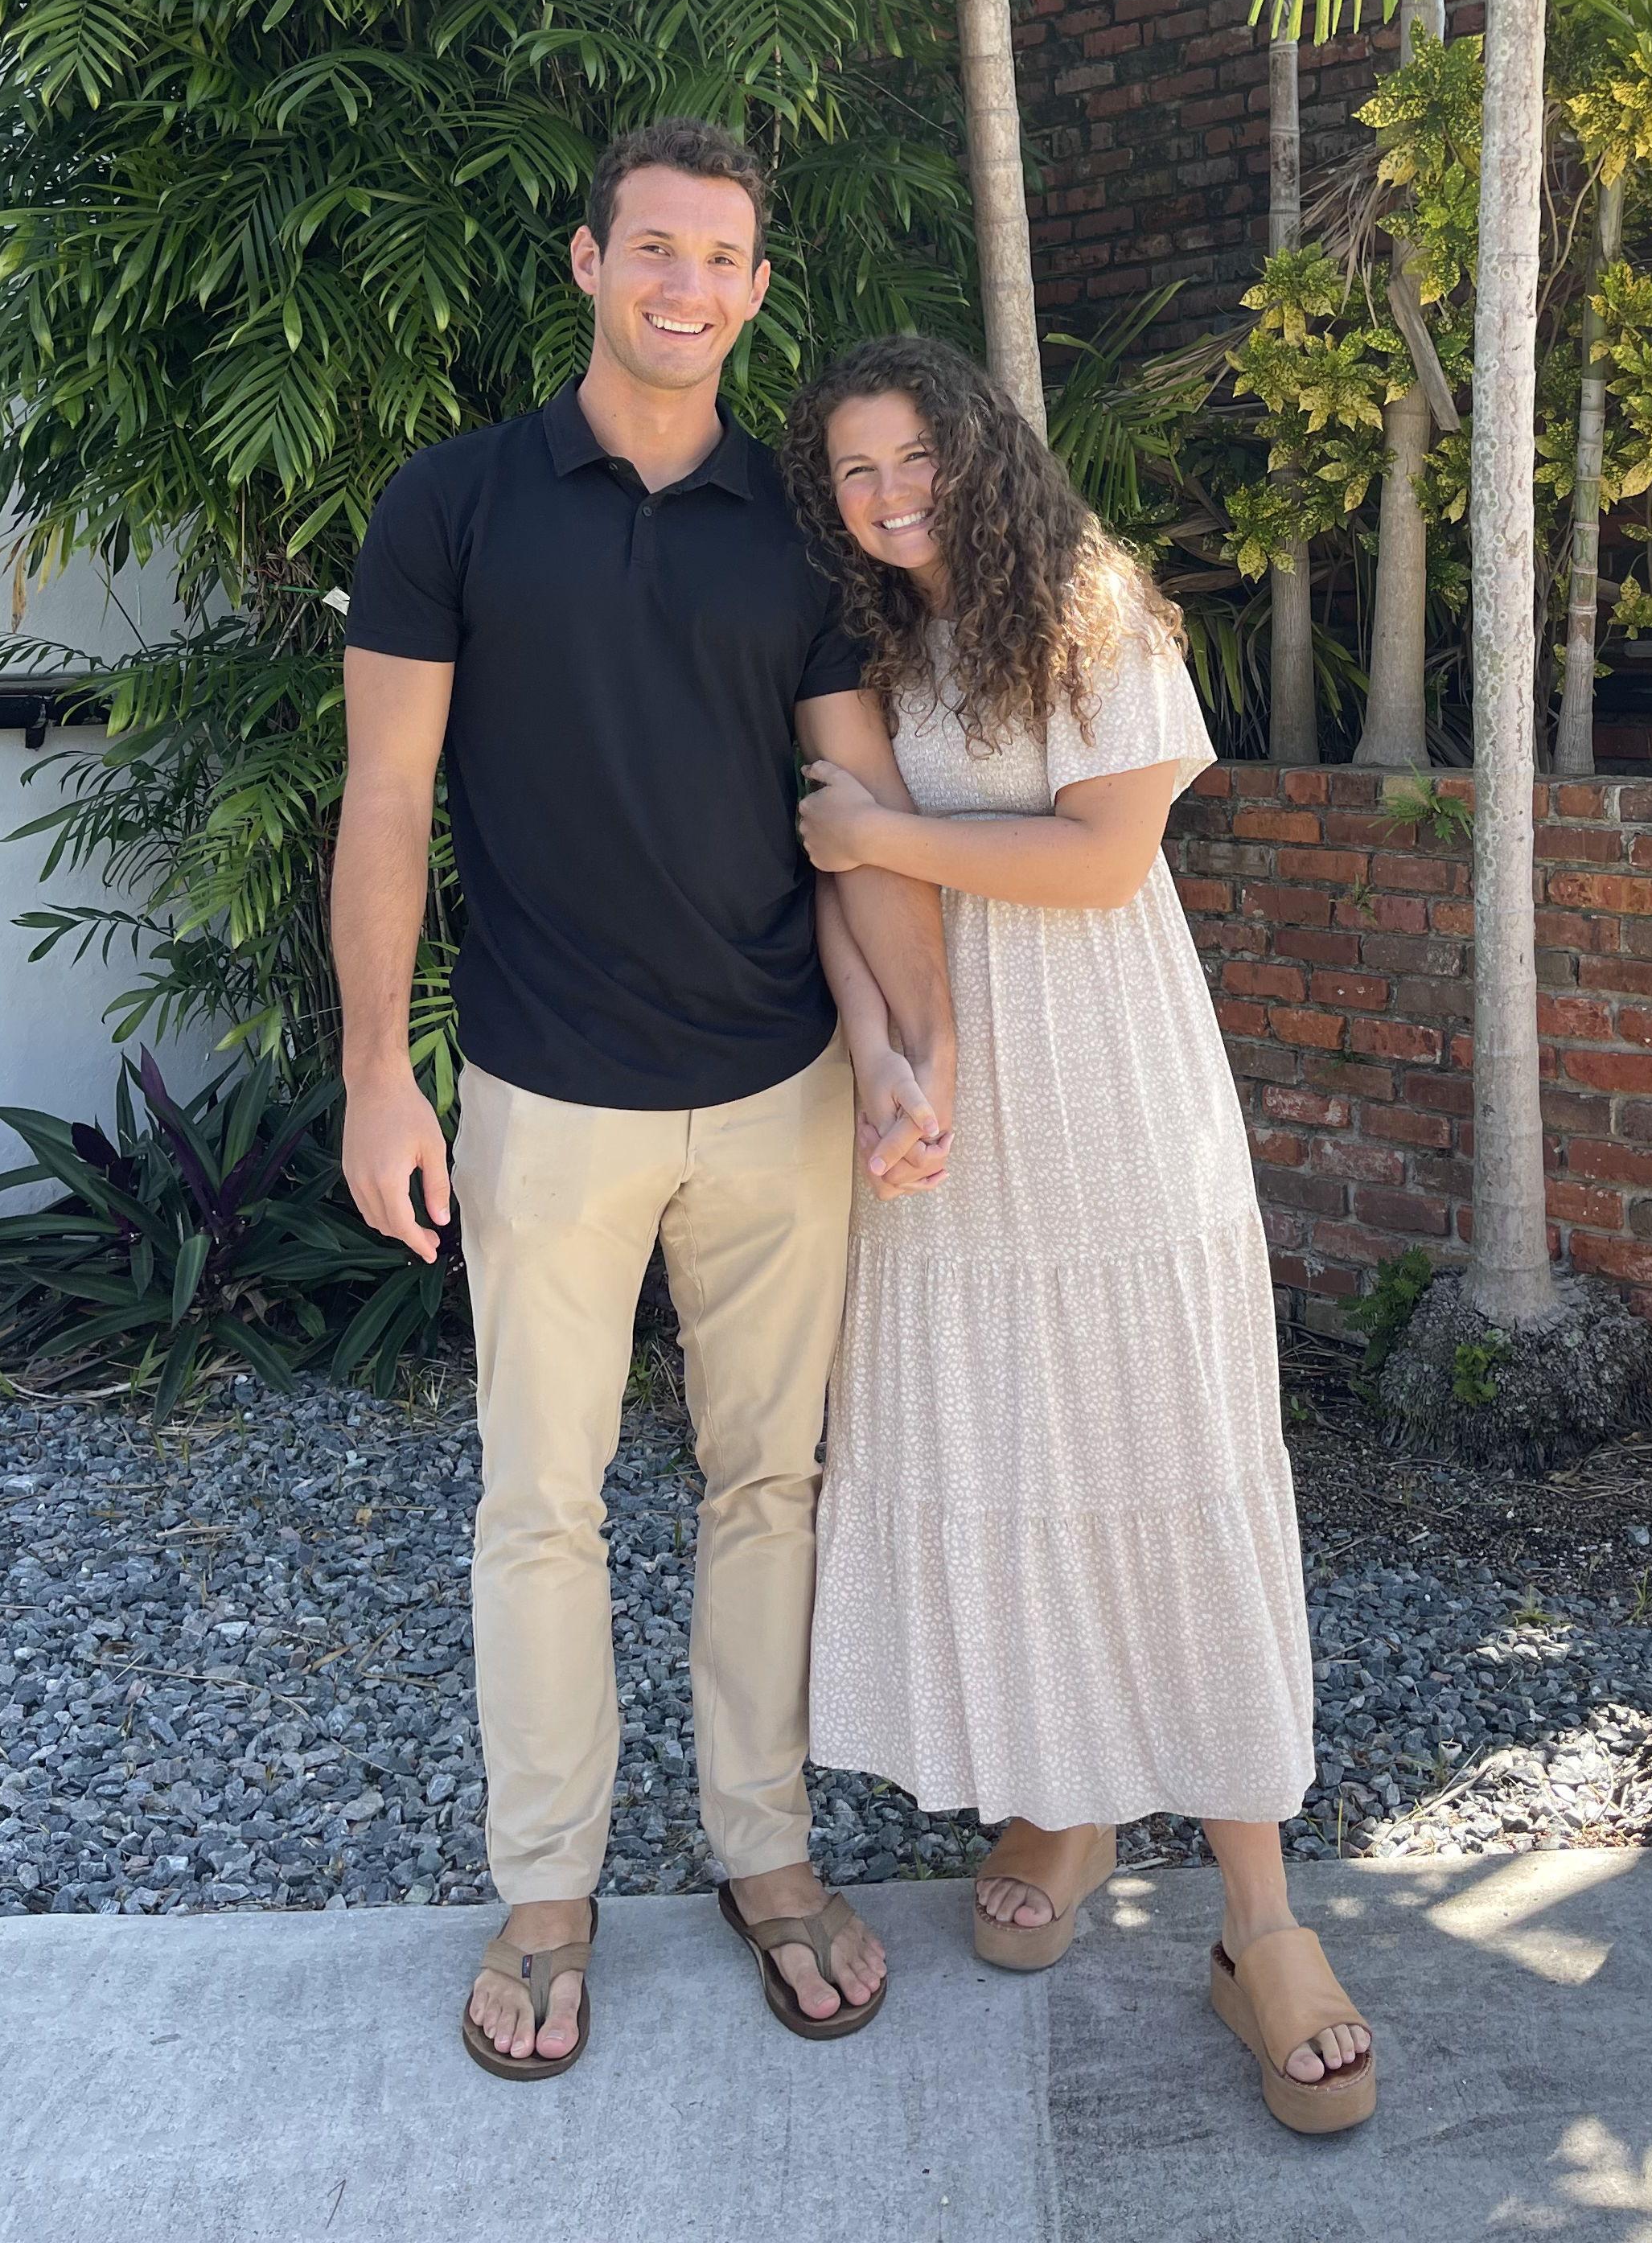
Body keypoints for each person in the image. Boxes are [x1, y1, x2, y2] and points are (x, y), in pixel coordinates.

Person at [330, 121, 957, 2081]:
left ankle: (767, 1855)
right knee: (541, 1502)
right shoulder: (453, 504)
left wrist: (914, 1050)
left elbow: (861, 810)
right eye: (657, 250)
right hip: (546, 1092)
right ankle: (547, 1892)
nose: (689, 286)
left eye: (723, 259)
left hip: (776, 1087)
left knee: (772, 1488)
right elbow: (385, 796)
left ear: (757, 291)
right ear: (591, 262)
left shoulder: (798, 531)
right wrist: (375, 1071)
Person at [785, 333, 1377, 2137]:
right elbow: (838, 873)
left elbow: (1103, 861)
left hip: (1110, 1090)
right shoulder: (878, 646)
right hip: (950, 1113)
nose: (889, 498)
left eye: (914, 460)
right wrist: (885, 1062)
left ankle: (1261, 1918)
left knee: (1167, 1450)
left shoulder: (1094, 610)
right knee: (1009, 1450)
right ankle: (1065, 1800)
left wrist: (882, 833)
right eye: (855, 473)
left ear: (979, 452)